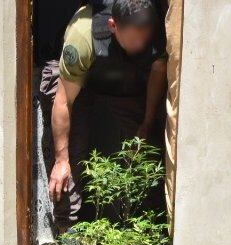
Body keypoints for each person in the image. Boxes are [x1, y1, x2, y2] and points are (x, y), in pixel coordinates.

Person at [46, 0, 168, 226]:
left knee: (149, 147)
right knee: (71, 155)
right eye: (133, 39)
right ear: (113, 26)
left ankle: (147, 227)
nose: (141, 45)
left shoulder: (159, 34)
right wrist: (61, 160)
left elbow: (157, 76)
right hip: (78, 86)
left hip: (124, 84)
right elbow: (64, 102)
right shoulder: (82, 37)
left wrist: (146, 123)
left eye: (145, 39)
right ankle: (68, 228)